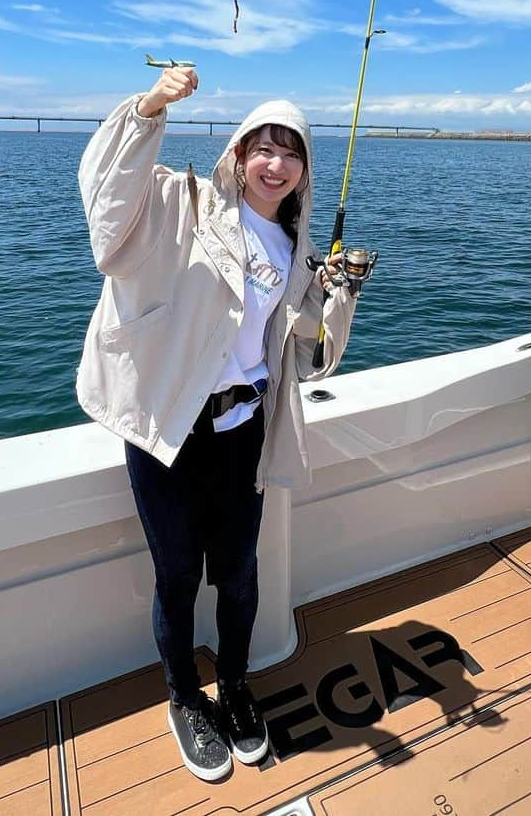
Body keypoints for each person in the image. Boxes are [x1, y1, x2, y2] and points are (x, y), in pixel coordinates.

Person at [76, 65, 357, 782]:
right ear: (236, 153)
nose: (276, 161)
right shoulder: (184, 202)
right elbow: (108, 217)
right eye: (262, 145)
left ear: (303, 169)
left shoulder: (294, 249)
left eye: (291, 150)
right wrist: (149, 108)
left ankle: (234, 687)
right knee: (176, 575)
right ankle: (183, 697)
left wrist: (339, 297)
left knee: (238, 574)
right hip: (168, 432)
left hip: (243, 434)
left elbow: (310, 355)